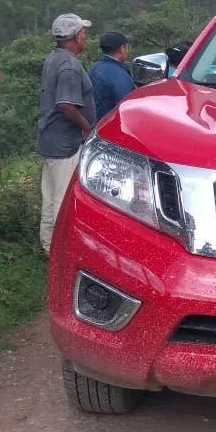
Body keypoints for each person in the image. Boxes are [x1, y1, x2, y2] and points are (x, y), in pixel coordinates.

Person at [37, 13, 96, 255]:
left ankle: (49, 244)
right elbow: (67, 104)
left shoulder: (54, 58)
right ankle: (60, 250)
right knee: (63, 198)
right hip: (65, 142)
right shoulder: (70, 66)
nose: (85, 37)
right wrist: (86, 126)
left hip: (51, 137)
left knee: (50, 195)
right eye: (83, 33)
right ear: (74, 37)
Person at [89, 31, 135, 122]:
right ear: (122, 49)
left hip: (94, 126)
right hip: (111, 125)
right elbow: (126, 107)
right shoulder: (119, 75)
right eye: (126, 47)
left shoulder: (93, 68)